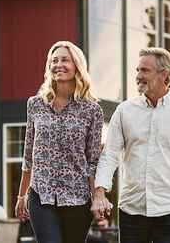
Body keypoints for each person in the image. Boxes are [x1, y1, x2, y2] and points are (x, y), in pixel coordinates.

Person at [91, 47, 170, 243]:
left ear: (165, 76)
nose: (139, 76)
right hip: (131, 211)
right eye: (137, 70)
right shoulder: (124, 111)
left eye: (145, 71)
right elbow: (109, 156)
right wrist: (99, 193)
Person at [14, 41, 105, 243]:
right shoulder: (35, 104)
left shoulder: (92, 110)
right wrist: (22, 196)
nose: (58, 64)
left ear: (77, 66)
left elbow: (93, 161)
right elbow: (29, 155)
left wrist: (96, 197)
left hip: (78, 198)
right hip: (41, 194)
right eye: (54, 61)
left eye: (65, 60)